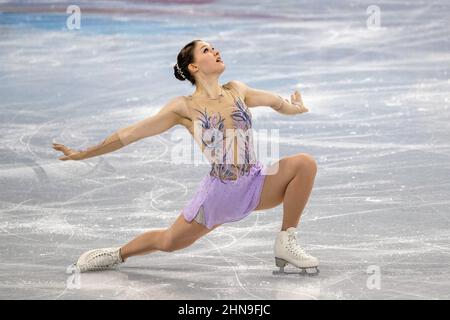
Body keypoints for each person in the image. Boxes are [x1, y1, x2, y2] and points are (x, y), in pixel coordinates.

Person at [52, 39, 319, 275]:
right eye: (206, 49)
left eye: (213, 47)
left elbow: (275, 102)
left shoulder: (237, 89)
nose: (215, 51)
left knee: (303, 164)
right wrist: (83, 154)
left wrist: (296, 108)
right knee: (169, 242)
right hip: (219, 197)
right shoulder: (184, 107)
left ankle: (286, 240)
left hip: (256, 183)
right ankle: (116, 254)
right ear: (193, 67)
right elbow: (130, 133)